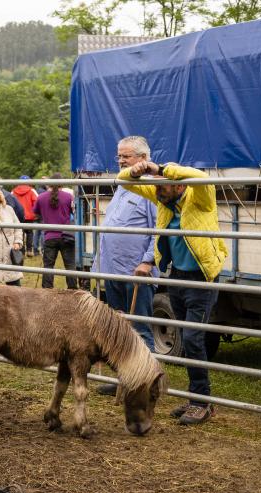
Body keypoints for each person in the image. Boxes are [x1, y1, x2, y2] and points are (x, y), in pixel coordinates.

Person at [121, 145, 227, 426]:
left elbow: (200, 177)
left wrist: (160, 169)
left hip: (202, 279)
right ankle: (196, 398)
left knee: (192, 339)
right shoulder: (162, 201)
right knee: (187, 338)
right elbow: (122, 181)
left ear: (177, 186)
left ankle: (201, 402)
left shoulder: (200, 198)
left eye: (162, 186)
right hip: (177, 277)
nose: (155, 191)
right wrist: (135, 170)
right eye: (155, 187)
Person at [93, 136, 159, 396]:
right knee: (119, 328)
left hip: (136, 272)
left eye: (126, 157)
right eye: (119, 156)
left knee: (140, 328)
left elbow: (160, 228)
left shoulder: (152, 187)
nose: (120, 160)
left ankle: (147, 383)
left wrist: (147, 260)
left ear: (143, 159)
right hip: (112, 269)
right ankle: (125, 379)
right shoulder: (123, 184)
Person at [33, 173, 77, 289]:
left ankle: (47, 291)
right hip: (66, 235)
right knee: (70, 265)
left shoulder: (41, 197)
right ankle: (73, 290)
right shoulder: (68, 197)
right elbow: (74, 213)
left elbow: (36, 213)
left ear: (49, 183)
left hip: (49, 236)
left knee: (48, 266)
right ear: (63, 183)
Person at [12, 175, 39, 256]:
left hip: (18, 216)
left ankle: (22, 251)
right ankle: (29, 250)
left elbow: (10, 202)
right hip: (29, 216)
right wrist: (35, 213)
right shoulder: (32, 191)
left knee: (20, 233)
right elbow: (37, 202)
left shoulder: (13, 191)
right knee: (30, 233)